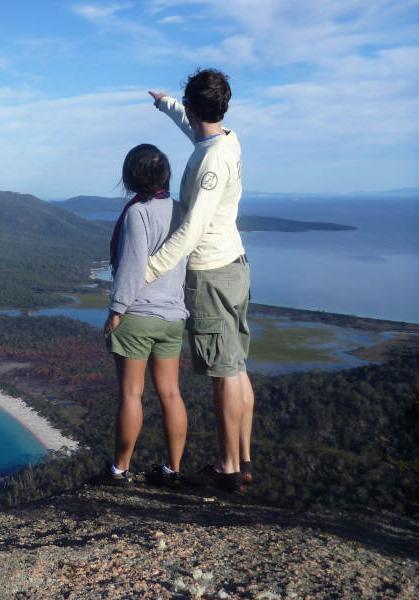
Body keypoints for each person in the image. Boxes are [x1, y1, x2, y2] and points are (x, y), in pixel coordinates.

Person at [146, 68, 254, 492]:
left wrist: (150, 270)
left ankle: (228, 468)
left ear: (195, 107)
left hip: (210, 273)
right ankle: (243, 459)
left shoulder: (210, 161)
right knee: (237, 366)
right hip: (234, 265)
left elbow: (190, 229)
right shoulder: (225, 140)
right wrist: (166, 104)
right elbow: (196, 130)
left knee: (224, 372)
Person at [100, 143, 189, 488]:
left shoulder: (138, 212)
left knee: (131, 394)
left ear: (131, 175)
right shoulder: (180, 210)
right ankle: (173, 470)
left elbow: (133, 265)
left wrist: (116, 310)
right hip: (171, 316)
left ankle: (120, 471)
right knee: (171, 393)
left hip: (137, 313)